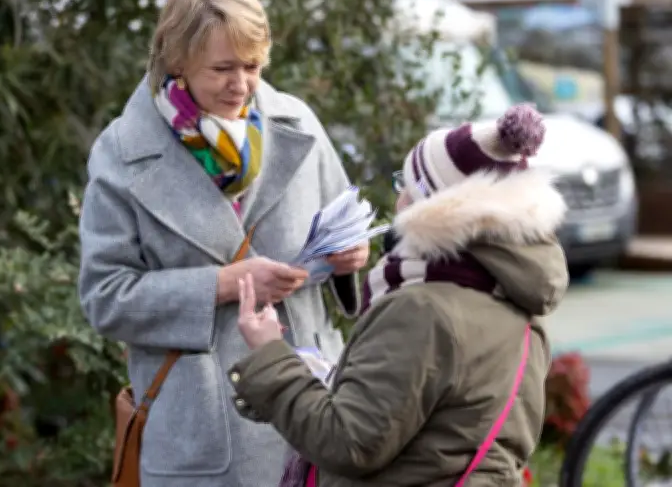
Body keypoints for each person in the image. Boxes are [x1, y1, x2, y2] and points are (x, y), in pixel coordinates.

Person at [77, 0, 368, 487]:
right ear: (177, 62)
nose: (241, 84)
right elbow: (105, 296)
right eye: (222, 68)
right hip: (202, 439)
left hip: (312, 416)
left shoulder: (297, 121)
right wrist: (223, 285)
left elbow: (343, 223)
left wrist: (351, 260)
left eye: (253, 65)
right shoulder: (122, 153)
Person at [228, 104, 571, 486]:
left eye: (405, 186)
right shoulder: (516, 299)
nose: (399, 199)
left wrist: (271, 355)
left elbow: (348, 444)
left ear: (430, 205)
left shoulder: (421, 310)